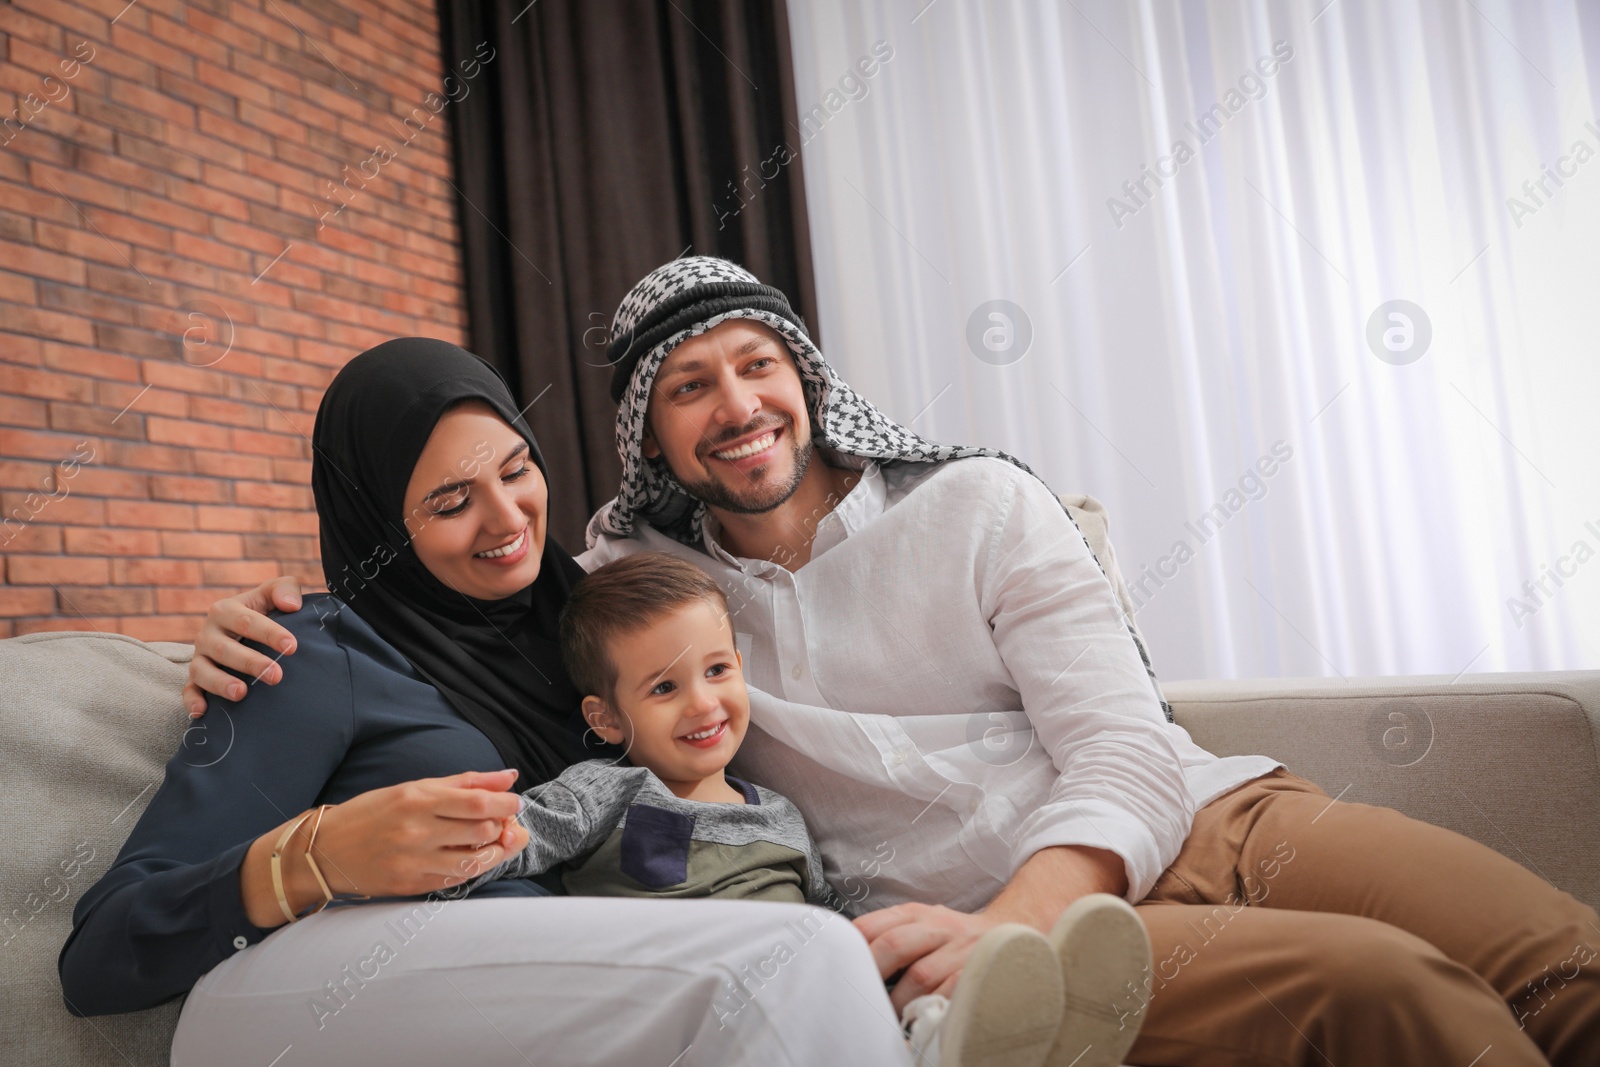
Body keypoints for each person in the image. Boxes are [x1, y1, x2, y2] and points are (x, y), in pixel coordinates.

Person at [185, 258, 1600, 1067]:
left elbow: (1120, 741)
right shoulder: (627, 588)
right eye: (689, 388)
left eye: (756, 364)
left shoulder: (976, 501)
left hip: (1215, 817)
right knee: (1400, 996)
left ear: (805, 371)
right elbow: (437, 570)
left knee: (1565, 963)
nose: (735, 405)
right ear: (649, 434)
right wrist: (248, 627)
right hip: (986, 922)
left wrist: (1037, 901)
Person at [60, 338, 920, 1067]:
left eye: (516, 470)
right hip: (309, 998)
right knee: (795, 957)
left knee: (823, 952)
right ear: (377, 521)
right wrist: (319, 854)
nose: (507, 518)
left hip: (562, 993)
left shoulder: (589, 619)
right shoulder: (309, 654)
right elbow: (101, 951)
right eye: (449, 501)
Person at [464, 549, 1102, 1067]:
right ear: (604, 719)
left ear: (740, 667)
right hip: (685, 1015)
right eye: (663, 687)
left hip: (805, 1001)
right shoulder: (606, 792)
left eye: (716, 670)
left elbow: (825, 919)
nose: (702, 703)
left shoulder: (780, 815)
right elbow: (511, 836)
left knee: (869, 986)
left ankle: (987, 1025)